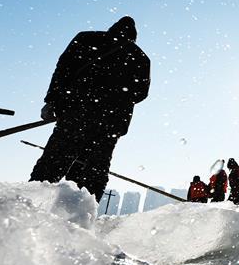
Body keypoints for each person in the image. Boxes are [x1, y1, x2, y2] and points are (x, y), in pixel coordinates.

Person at [30, 16, 150, 201]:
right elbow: (140, 93)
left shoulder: (87, 39)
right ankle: (80, 215)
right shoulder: (140, 58)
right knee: (94, 169)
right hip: (109, 124)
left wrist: (52, 100)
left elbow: (62, 69)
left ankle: (31, 203)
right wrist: (115, 98)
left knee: (54, 161)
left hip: (75, 112)